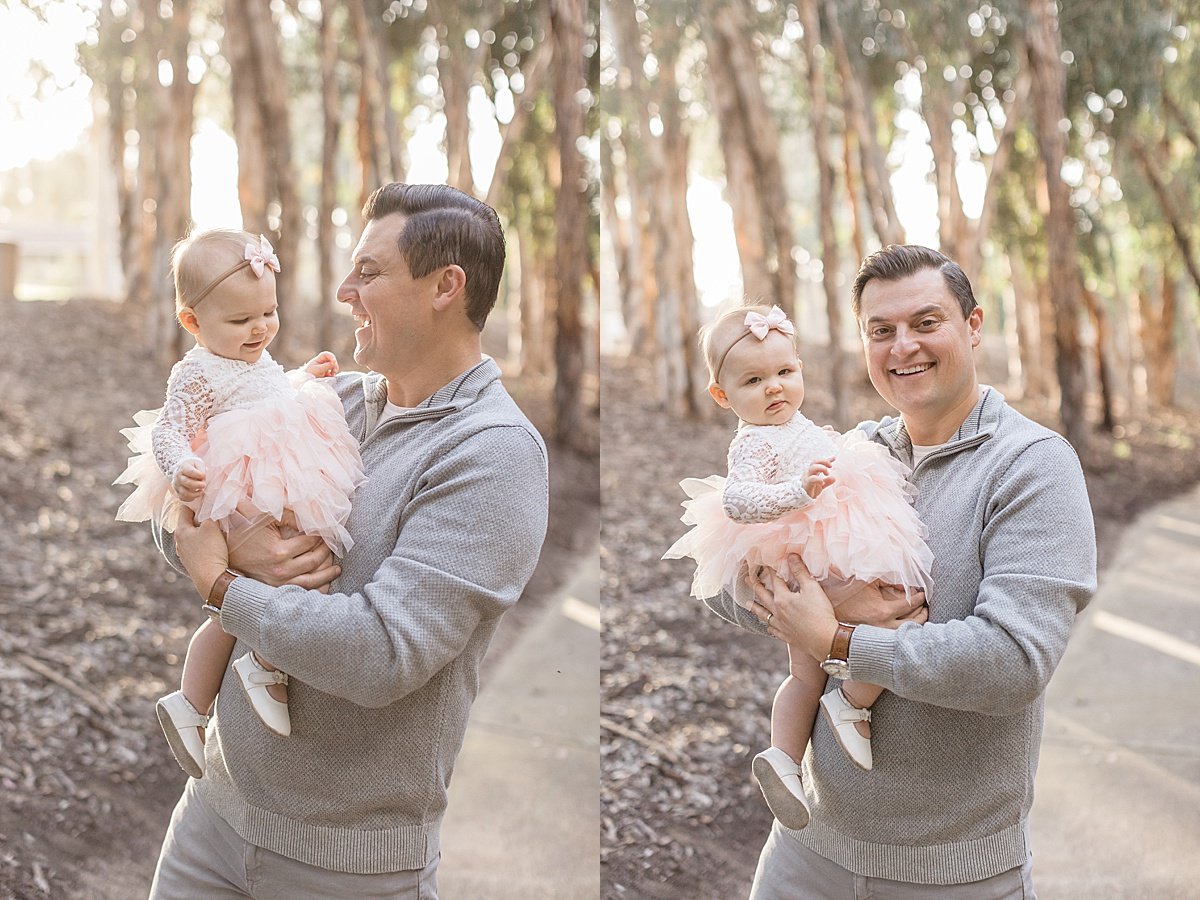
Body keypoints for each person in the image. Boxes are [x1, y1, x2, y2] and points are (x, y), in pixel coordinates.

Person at [146, 183, 549, 900]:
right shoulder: (330, 401)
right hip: (211, 817)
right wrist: (232, 547)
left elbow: (382, 654)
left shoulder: (494, 455)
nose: (343, 291)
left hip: (344, 869)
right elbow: (169, 500)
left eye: (368, 272)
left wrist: (222, 586)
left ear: (445, 287)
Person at [702, 245, 1096, 898]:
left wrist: (837, 641)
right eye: (880, 330)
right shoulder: (850, 451)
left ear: (973, 326)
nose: (902, 346)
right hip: (804, 854)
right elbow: (720, 583)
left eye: (926, 322)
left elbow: (1013, 661)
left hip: (954, 875)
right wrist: (833, 602)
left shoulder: (1032, 466)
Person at [663, 303, 933, 831]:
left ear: (800, 370)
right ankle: (849, 703)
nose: (773, 388)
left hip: (818, 541)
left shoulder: (793, 423)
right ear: (723, 396)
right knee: (904, 616)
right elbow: (738, 501)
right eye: (754, 380)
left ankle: (786, 760)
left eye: (785, 372)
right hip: (806, 547)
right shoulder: (752, 441)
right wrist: (796, 490)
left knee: (805, 671)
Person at [114, 228, 366, 776]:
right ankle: (260, 666)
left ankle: (203, 696)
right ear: (193, 323)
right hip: (235, 481)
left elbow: (268, 397)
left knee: (277, 578)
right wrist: (180, 466)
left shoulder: (255, 360)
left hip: (272, 474)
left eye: (268, 313)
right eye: (239, 321)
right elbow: (171, 429)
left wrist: (304, 378)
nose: (260, 330)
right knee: (270, 579)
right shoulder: (197, 371)